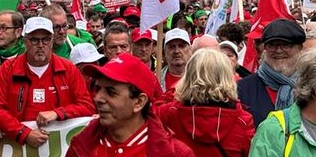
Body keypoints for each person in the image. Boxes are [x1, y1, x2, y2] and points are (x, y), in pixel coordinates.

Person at [0, 17, 95, 147]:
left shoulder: (68, 69)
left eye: (45, 39)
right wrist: (24, 133)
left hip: (58, 148)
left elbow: (87, 106)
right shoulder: (7, 69)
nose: (40, 45)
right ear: (25, 42)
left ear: (52, 41)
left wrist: (58, 113)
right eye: (34, 40)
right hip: (19, 147)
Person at [67, 53, 195, 157]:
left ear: (139, 102)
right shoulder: (81, 146)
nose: (98, 98)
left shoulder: (176, 154)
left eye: (111, 92)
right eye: (98, 89)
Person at [157, 49, 255, 156]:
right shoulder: (242, 121)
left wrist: (176, 91)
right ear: (227, 78)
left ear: (188, 78)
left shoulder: (170, 114)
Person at [238, 18, 305, 127]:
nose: (278, 50)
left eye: (286, 45)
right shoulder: (241, 89)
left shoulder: (313, 86)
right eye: (272, 45)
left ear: (300, 48)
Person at [160, 28, 192, 94]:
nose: (176, 51)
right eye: (171, 47)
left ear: (190, 50)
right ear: (165, 52)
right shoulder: (155, 79)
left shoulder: (201, 79)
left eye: (181, 46)